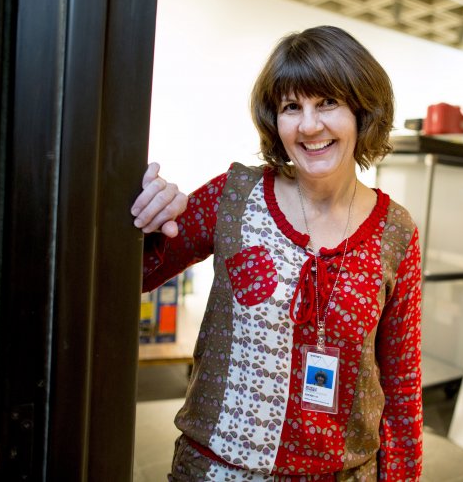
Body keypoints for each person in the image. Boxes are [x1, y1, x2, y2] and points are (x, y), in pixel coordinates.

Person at [132, 25, 423, 480]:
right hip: (217, 470)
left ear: (362, 110)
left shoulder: (395, 232)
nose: (309, 125)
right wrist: (144, 215)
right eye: (292, 107)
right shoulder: (234, 195)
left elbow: (402, 384)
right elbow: (130, 273)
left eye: (327, 102)